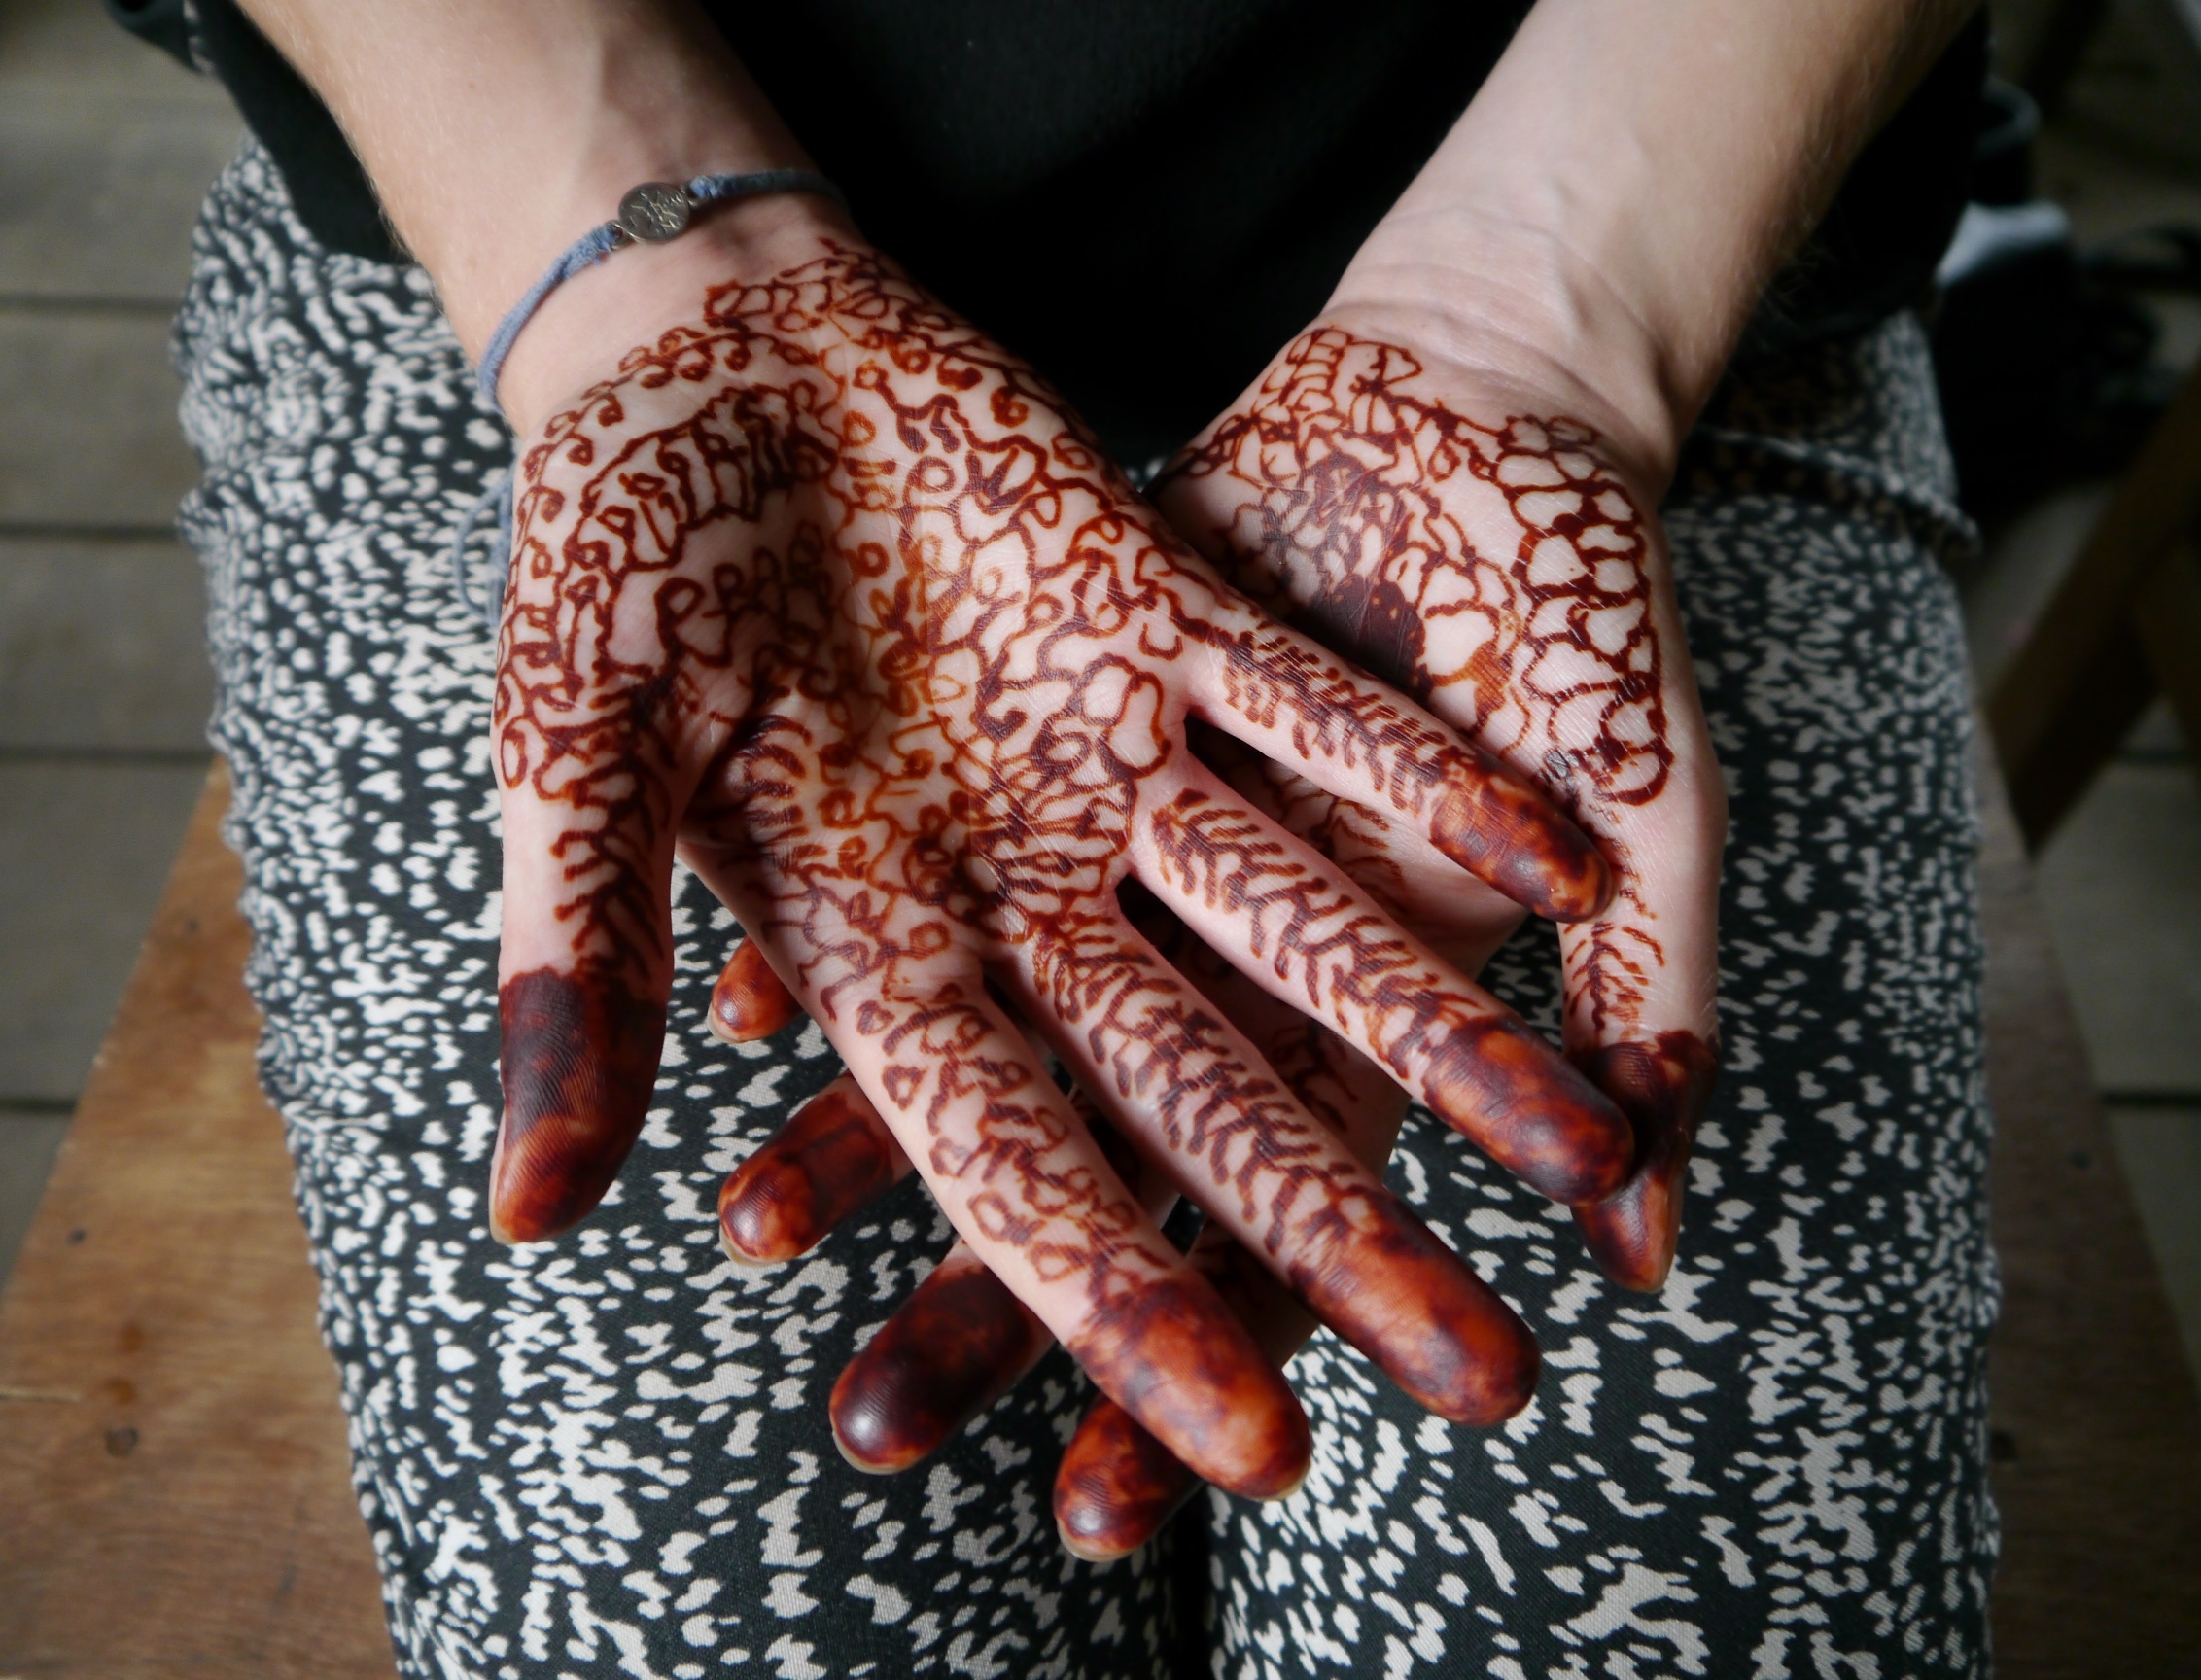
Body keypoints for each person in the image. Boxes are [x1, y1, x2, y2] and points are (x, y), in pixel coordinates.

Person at [117, 0, 1997, 1672]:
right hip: (542, 214)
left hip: (1668, 207)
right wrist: (642, 254)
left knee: (1647, 1614)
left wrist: (1556, 309)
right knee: (701, 1616)